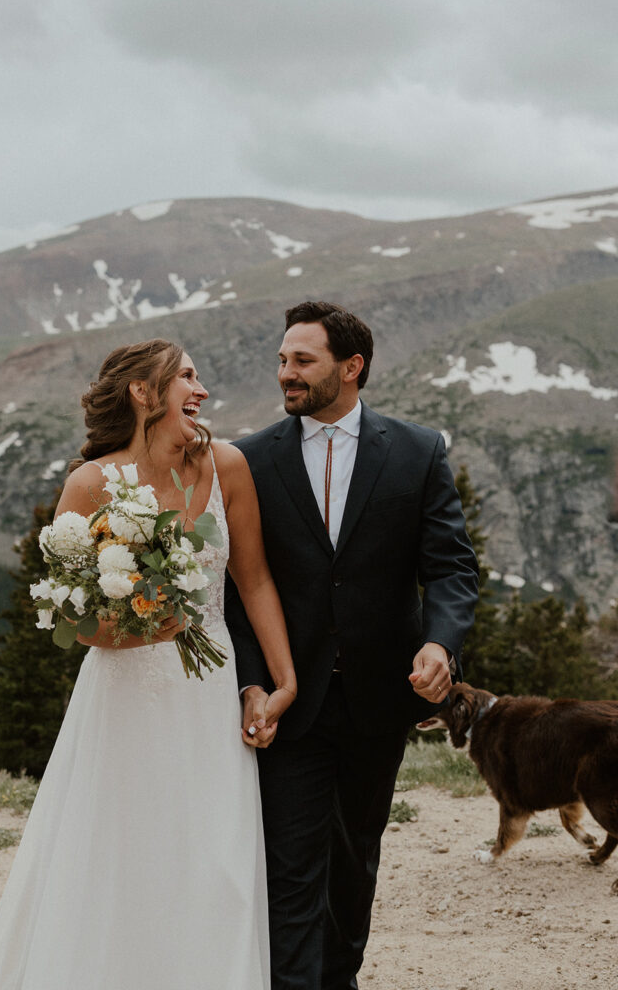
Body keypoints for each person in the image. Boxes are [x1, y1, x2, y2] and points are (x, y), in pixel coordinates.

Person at [0, 339, 296, 990]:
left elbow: (253, 581)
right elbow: (71, 616)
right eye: (188, 377)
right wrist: (135, 628)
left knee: (213, 861)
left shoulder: (226, 466)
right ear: (144, 392)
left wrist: (283, 682)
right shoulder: (89, 484)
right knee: (116, 856)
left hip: (208, 689)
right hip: (122, 697)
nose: (200, 390)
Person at [226, 302, 479, 990]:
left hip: (378, 698)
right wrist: (254, 681)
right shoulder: (248, 459)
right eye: (282, 360)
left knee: (355, 860)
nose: (287, 373)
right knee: (292, 864)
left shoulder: (418, 451)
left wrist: (441, 647)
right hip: (290, 696)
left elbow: (452, 568)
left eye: (302, 360)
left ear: (352, 366)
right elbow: (238, 589)